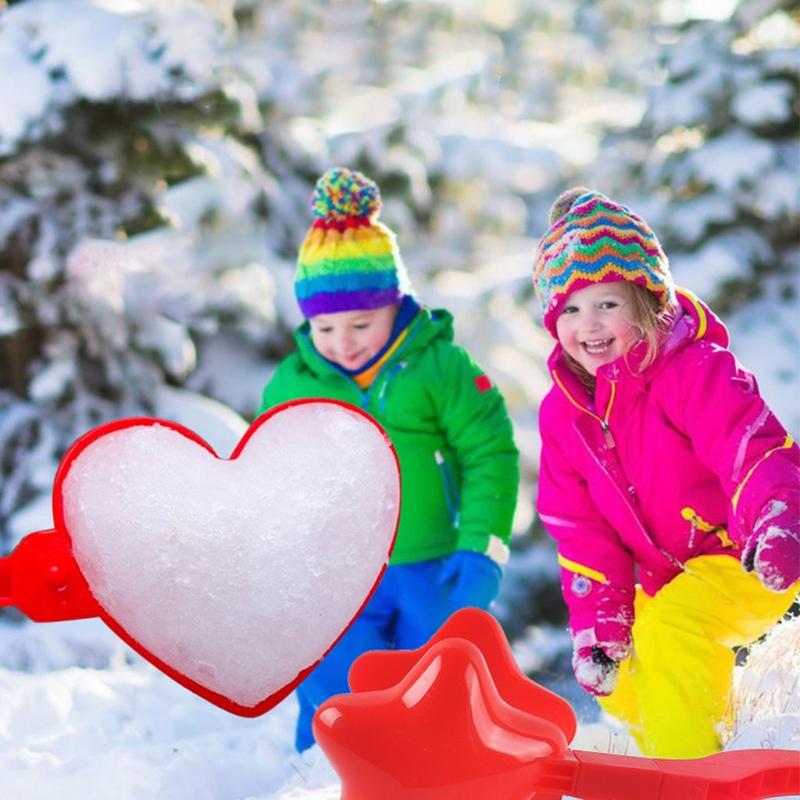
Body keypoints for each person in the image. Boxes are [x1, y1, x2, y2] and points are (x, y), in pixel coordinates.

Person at [532, 187, 799, 758]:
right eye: (571, 310)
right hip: (667, 577)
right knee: (627, 668)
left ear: (648, 303)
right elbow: (578, 526)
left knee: (672, 634)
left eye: (609, 303)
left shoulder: (696, 371)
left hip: (745, 551)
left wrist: (779, 520)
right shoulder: (564, 415)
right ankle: (684, 755)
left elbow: (751, 448)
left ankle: (691, 777)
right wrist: (601, 619)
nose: (590, 324)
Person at [259, 167, 519, 752]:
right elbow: (274, 475)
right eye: (325, 326)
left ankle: (441, 772)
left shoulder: (440, 367)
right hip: (339, 575)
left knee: (439, 686)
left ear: (393, 304)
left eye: (360, 323)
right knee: (335, 685)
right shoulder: (293, 384)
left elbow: (489, 454)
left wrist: (482, 547)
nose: (343, 341)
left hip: (435, 562)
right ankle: (326, 774)